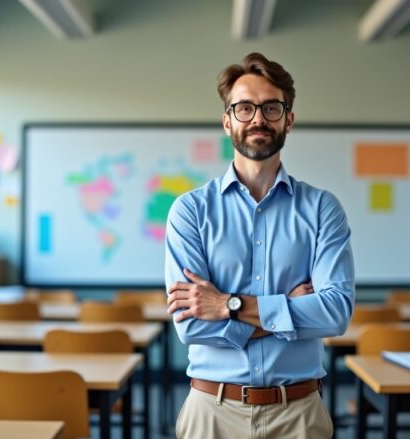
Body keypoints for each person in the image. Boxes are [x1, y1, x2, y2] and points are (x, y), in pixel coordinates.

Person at [165, 52, 355, 438]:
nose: (258, 119)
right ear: (227, 121)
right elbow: (191, 326)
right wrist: (288, 309)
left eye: (271, 108)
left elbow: (335, 313)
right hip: (211, 413)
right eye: (245, 107)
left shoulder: (322, 209)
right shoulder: (189, 211)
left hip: (298, 414)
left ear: (288, 119)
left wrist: (228, 305)